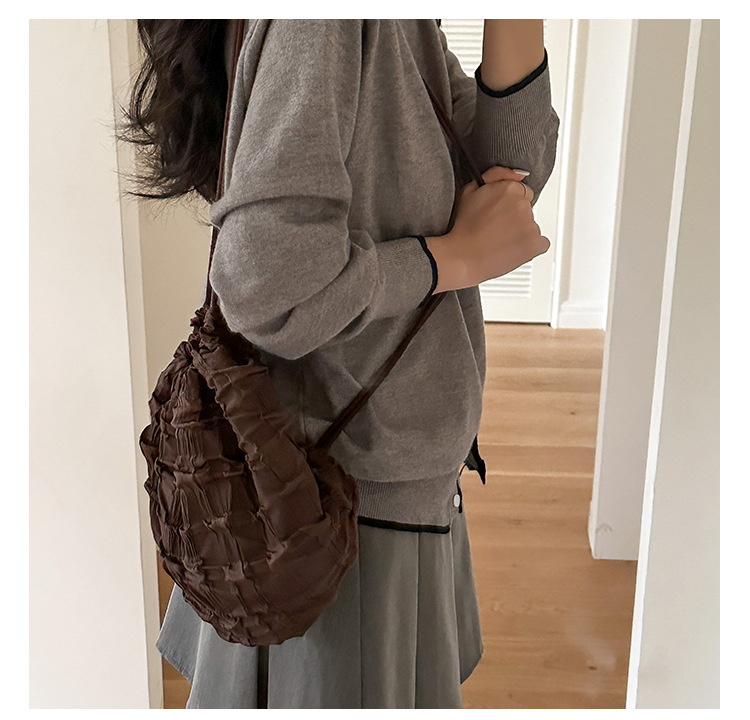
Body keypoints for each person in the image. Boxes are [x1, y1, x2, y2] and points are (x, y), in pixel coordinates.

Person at [119, 18, 559, 709]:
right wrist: (453, 258)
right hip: (340, 502)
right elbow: (266, 284)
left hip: (367, 475)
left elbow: (510, 174)